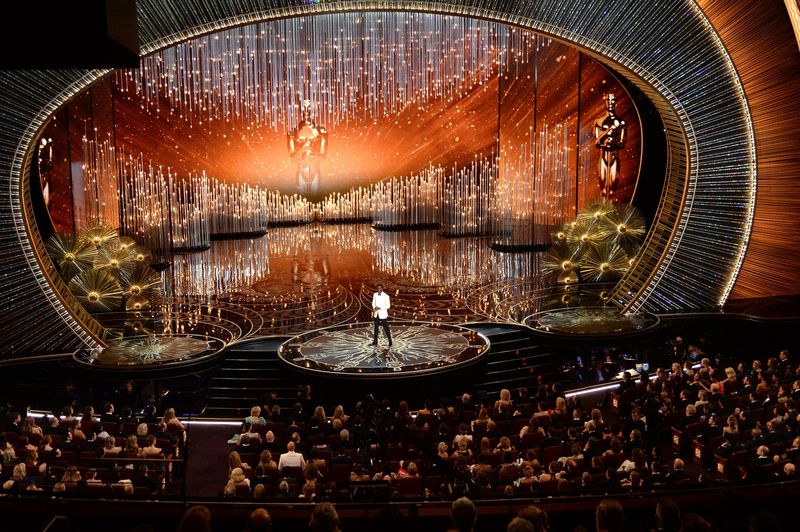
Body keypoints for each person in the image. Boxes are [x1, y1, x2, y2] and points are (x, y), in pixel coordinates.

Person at [593, 93, 627, 197]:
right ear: (605, 102)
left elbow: (622, 144)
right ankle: (602, 211)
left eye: (612, 101)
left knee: (612, 190)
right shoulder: (598, 122)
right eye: (608, 100)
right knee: (603, 189)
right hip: (603, 156)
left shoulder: (621, 123)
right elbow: (597, 143)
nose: (610, 103)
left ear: (615, 102)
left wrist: (611, 141)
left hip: (614, 157)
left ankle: (610, 211)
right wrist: (607, 133)